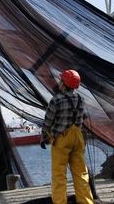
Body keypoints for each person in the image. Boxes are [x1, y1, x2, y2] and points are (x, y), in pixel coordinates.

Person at [41, 70, 94, 204]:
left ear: (63, 83)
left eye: (61, 80)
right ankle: (86, 202)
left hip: (62, 138)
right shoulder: (81, 99)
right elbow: (81, 118)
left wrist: (43, 137)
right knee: (81, 174)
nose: (59, 82)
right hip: (78, 136)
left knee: (59, 175)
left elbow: (48, 121)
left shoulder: (56, 100)